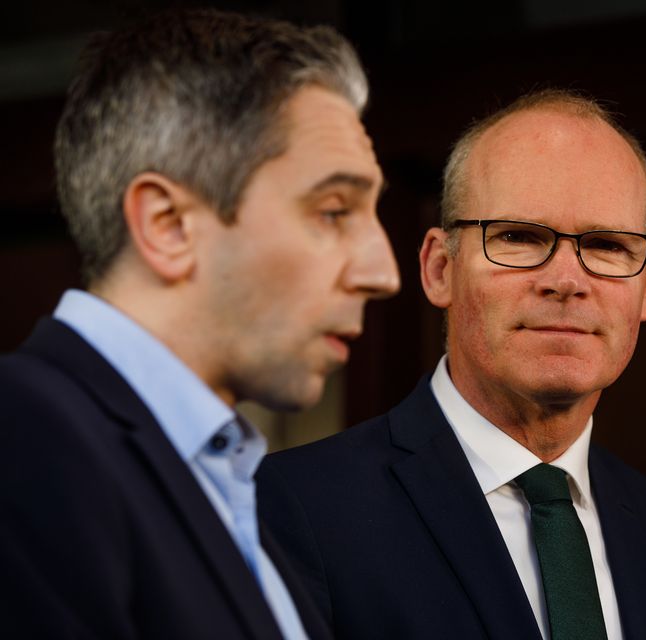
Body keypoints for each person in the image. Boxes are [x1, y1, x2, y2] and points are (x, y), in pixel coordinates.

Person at [257, 89, 646, 639]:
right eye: (518, 237)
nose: (565, 281)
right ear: (440, 268)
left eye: (606, 245)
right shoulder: (291, 508)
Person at [0, 8, 399, 639]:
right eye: (332, 210)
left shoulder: (225, 481)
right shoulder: (25, 440)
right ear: (169, 226)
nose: (383, 273)